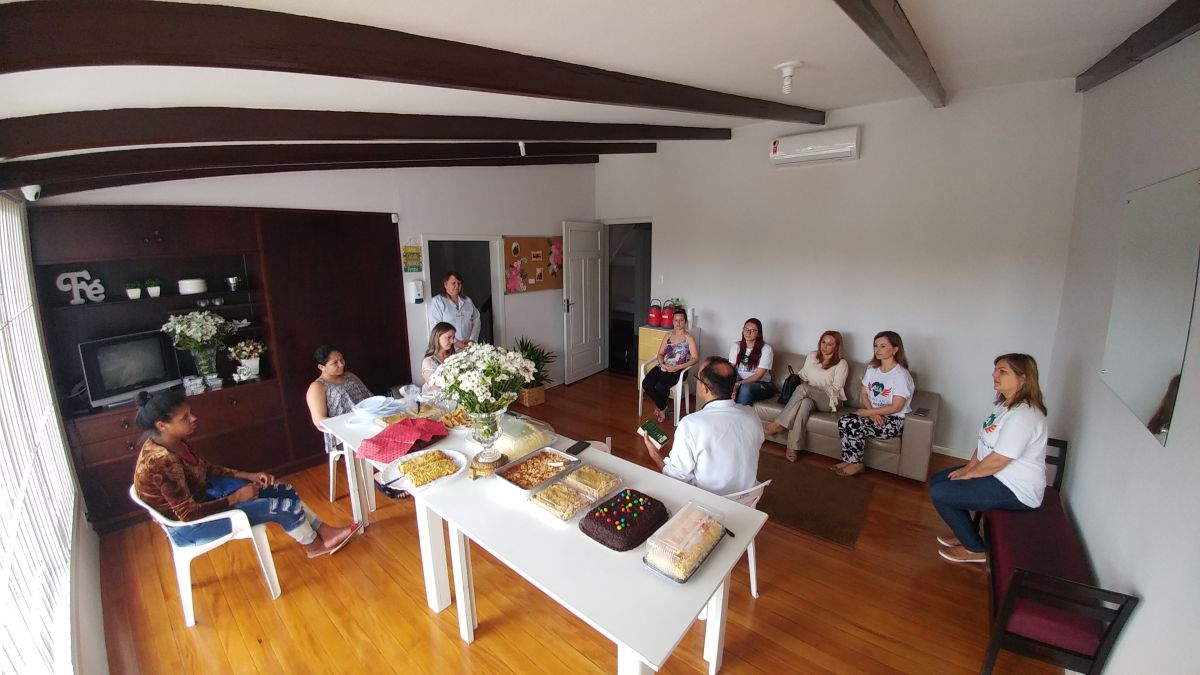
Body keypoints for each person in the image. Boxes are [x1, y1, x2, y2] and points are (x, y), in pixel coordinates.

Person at [132, 390, 358, 557]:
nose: (193, 419)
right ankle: (314, 547)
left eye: (190, 413)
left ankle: (325, 531)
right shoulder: (161, 461)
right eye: (184, 418)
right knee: (280, 507)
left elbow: (205, 468)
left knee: (284, 490)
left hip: (206, 500)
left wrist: (248, 475)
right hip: (191, 527)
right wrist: (237, 497)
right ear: (162, 425)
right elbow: (188, 514)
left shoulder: (174, 441)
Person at [929, 354, 1049, 564]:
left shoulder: (1024, 416)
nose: (995, 375)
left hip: (1016, 488)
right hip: (998, 475)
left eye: (1003, 371)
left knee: (941, 493)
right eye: (995, 370)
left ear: (1023, 378)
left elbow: (999, 459)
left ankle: (975, 549)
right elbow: (984, 442)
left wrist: (969, 475)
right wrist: (968, 468)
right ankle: (966, 534)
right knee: (938, 480)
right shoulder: (1005, 405)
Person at [642, 356, 763, 496]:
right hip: (748, 501)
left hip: (707, 504)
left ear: (704, 388)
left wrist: (655, 454)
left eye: (697, 378)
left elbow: (675, 477)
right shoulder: (751, 415)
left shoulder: (691, 424)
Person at [834, 331, 914, 477]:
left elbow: (897, 406)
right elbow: (864, 393)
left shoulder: (901, 375)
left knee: (852, 424)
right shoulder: (872, 370)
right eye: (876, 345)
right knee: (844, 421)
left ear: (895, 349)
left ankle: (857, 464)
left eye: (883, 346)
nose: (877, 349)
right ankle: (848, 460)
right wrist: (872, 412)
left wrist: (868, 413)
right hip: (874, 414)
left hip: (893, 421)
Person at [764, 330, 849, 462]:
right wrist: (809, 390)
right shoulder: (812, 356)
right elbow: (802, 377)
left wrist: (812, 389)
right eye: (823, 342)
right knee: (805, 403)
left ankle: (779, 423)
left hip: (830, 400)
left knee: (803, 389)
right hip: (809, 397)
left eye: (830, 344)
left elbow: (836, 389)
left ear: (837, 347)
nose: (825, 346)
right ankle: (792, 447)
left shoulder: (841, 364)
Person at [305, 345, 372, 457]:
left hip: (367, 422)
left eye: (342, 360)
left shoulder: (350, 376)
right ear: (322, 367)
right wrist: (349, 424)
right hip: (344, 432)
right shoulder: (317, 386)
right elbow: (319, 420)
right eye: (335, 363)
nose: (341, 364)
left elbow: (368, 397)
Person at [641, 309, 699, 423]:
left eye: (681, 320)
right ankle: (663, 406)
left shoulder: (689, 338)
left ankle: (661, 408)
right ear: (672, 321)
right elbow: (660, 354)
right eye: (676, 320)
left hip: (680, 369)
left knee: (661, 386)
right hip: (664, 366)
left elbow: (695, 358)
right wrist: (662, 364)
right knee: (646, 384)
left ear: (685, 322)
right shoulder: (668, 335)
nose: (678, 323)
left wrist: (677, 367)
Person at [427, 270, 480, 351]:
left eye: (459, 283)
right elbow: (436, 327)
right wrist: (455, 342)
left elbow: (476, 320)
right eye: (453, 283)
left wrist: (472, 340)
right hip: (448, 347)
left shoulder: (467, 301)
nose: (457, 286)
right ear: (445, 284)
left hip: (468, 346)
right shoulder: (437, 301)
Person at [728, 318, 776, 405]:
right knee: (723, 384)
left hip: (762, 384)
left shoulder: (766, 349)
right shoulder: (736, 346)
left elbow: (758, 375)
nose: (748, 332)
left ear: (758, 333)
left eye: (752, 330)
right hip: (740, 380)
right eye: (746, 329)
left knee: (745, 388)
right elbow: (730, 368)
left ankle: (741, 413)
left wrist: (738, 384)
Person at [421, 322, 457, 397]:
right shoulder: (428, 361)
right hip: (433, 401)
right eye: (449, 337)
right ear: (437, 337)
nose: (452, 341)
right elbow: (435, 387)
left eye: (453, 338)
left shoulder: (453, 357)